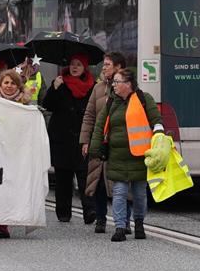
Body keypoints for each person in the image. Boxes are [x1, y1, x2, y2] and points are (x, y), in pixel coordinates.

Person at [89, 68, 165, 242]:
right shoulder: (111, 103)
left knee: (139, 194)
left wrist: (160, 135)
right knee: (119, 192)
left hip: (140, 156)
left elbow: (156, 120)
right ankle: (120, 227)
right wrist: (95, 149)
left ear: (128, 84)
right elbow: (100, 126)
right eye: (114, 82)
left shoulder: (144, 99)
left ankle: (139, 222)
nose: (114, 85)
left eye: (117, 82)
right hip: (117, 156)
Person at [42, 54, 96, 224]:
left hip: (82, 138)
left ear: (84, 67)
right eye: (73, 64)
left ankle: (90, 211)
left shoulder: (92, 86)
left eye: (79, 65)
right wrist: (54, 88)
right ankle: (63, 213)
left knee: (85, 176)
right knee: (63, 178)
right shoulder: (60, 82)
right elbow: (47, 104)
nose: (75, 67)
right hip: (62, 139)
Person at [79, 51, 126, 233]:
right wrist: (85, 141)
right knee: (97, 182)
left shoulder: (127, 88)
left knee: (119, 183)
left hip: (119, 143)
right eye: (104, 65)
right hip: (100, 142)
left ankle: (123, 221)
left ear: (118, 67)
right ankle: (100, 218)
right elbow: (89, 115)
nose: (104, 67)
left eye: (107, 64)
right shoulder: (98, 89)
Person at [0, 69, 34, 239]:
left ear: (18, 86)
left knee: (8, 189)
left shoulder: (25, 106)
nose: (9, 86)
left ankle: (3, 225)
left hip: (14, 152)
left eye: (13, 83)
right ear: (0, 84)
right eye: (6, 82)